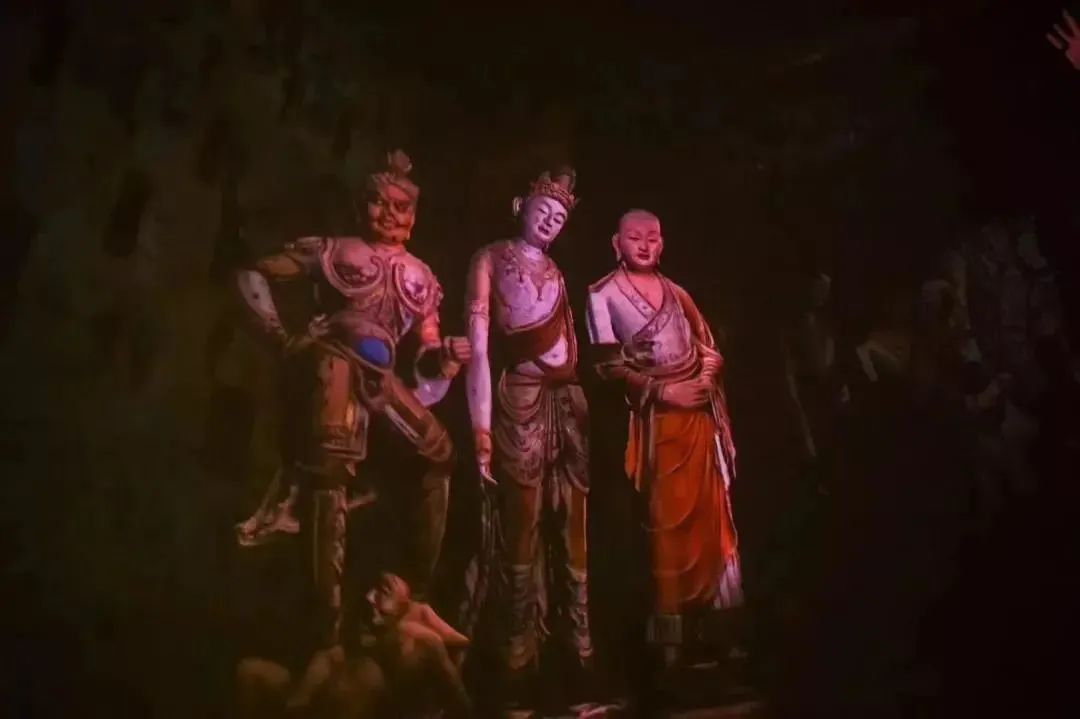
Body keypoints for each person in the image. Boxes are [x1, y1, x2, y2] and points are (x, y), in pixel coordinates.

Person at [234, 149, 471, 653]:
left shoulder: (422, 277)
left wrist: (446, 360)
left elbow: (425, 357)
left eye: (401, 207)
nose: (390, 214)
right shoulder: (335, 250)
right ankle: (325, 619)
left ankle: (413, 591)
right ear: (362, 204)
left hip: (382, 377)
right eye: (379, 203)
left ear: (414, 215)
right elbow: (253, 274)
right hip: (333, 360)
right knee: (330, 471)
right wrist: (280, 337)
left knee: (440, 454)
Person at [585, 209, 743, 666]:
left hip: (698, 421)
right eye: (634, 237)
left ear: (663, 243)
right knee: (663, 528)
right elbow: (607, 366)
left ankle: (719, 631)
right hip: (656, 423)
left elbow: (709, 348)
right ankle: (667, 639)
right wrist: (663, 390)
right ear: (616, 243)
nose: (644, 245)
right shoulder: (602, 294)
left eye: (653, 237)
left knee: (715, 525)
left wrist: (705, 379)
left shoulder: (677, 292)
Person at [464, 167, 595, 715]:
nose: (550, 221)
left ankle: (577, 646)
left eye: (560, 218)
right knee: (521, 519)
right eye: (544, 210)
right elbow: (479, 349)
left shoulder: (559, 271)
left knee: (573, 520)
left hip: (567, 401)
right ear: (521, 205)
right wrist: (481, 428)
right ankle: (517, 652)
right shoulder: (490, 258)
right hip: (518, 397)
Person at [235, 573, 472, 718]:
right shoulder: (355, 621)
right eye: (372, 589)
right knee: (249, 671)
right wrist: (300, 697)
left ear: (404, 605)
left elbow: (458, 698)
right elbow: (328, 657)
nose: (370, 597)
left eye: (383, 591)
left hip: (351, 704)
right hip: (310, 697)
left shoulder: (418, 644)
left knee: (365, 678)